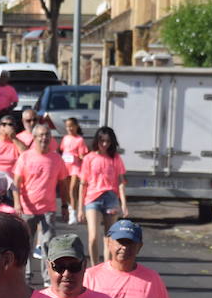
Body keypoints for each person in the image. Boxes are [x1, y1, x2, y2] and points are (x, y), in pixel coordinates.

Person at [12, 125, 66, 281]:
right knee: (25, 244)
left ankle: (47, 279)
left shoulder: (56, 159)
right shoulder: (25, 157)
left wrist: (64, 205)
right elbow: (16, 181)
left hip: (48, 209)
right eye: (41, 135)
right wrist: (17, 202)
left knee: (48, 244)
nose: (44, 138)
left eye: (47, 135)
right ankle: (26, 275)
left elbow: (63, 184)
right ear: (34, 138)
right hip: (28, 208)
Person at [79, 127, 127, 263]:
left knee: (110, 237)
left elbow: (121, 182)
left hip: (111, 198)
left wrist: (123, 204)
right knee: (93, 236)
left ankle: (106, 267)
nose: (105, 144)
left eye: (108, 141)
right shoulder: (89, 158)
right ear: (97, 141)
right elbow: (83, 183)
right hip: (92, 198)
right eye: (102, 141)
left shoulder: (115, 158)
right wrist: (79, 208)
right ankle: (94, 266)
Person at [59, 118, 88, 225]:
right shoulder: (65, 138)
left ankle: (73, 214)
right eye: (67, 126)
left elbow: (82, 154)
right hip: (65, 166)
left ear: (76, 126)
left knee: (72, 189)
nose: (70, 128)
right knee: (66, 190)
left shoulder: (80, 139)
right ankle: (71, 208)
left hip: (75, 167)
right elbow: (63, 150)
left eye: (72, 126)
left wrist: (81, 156)